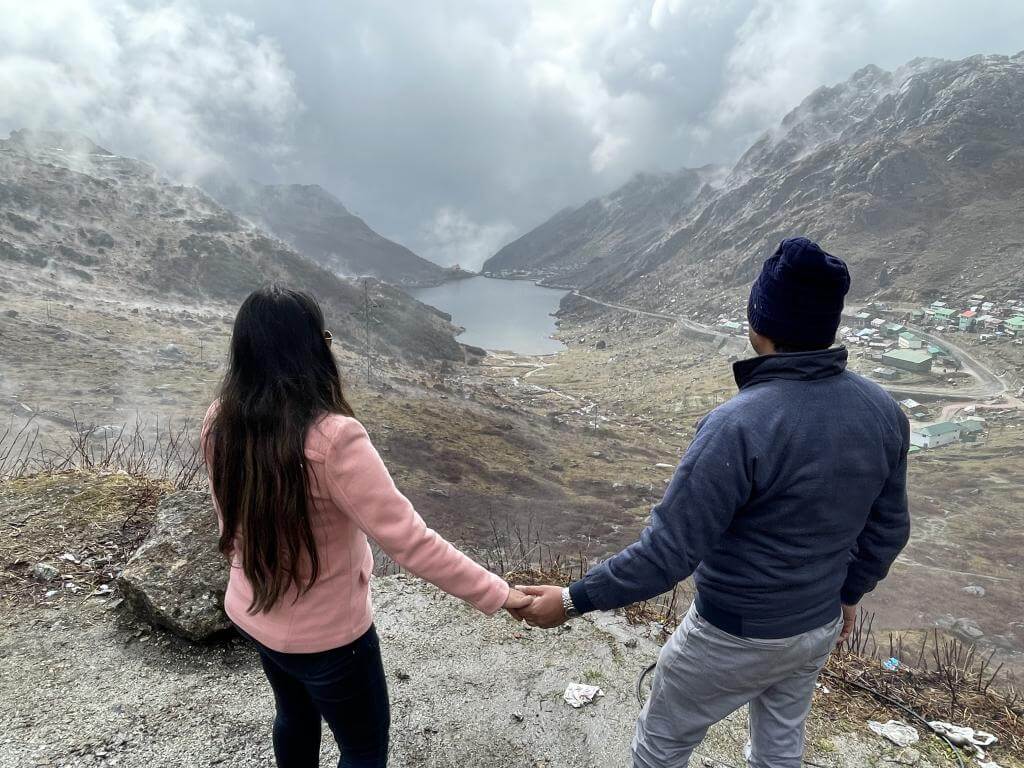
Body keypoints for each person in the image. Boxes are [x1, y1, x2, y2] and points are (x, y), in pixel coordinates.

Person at [518, 237, 911, 768]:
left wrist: (569, 601)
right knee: (778, 747)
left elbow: (666, 556)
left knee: (662, 743)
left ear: (760, 320)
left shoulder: (738, 425)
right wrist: (847, 594)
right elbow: (889, 529)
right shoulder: (883, 411)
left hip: (732, 632)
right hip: (815, 626)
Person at [202, 285, 532, 768]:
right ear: (315, 349)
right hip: (331, 640)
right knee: (362, 748)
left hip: (253, 610)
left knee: (293, 715)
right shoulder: (334, 439)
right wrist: (499, 593)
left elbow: (227, 515)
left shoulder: (219, 420)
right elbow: (411, 542)